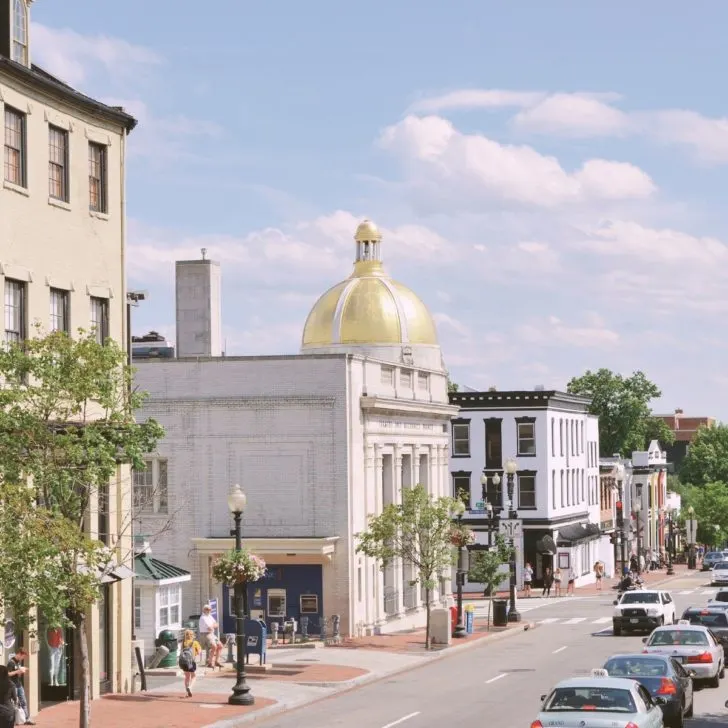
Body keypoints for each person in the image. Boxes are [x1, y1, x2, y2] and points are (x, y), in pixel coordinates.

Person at [7, 648, 32, 725]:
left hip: (19, 684)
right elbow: (8, 674)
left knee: (23, 701)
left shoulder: (18, 662)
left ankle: (26, 718)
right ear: (19, 654)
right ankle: (13, 720)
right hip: (13, 685)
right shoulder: (11, 662)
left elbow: (16, 673)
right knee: (14, 702)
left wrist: (21, 671)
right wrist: (18, 671)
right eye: (23, 656)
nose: (23, 658)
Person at [179, 630, 201, 697]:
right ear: (193, 635)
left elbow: (181, 651)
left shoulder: (183, 643)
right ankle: (190, 687)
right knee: (194, 676)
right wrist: (195, 654)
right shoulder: (195, 642)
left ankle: (187, 691)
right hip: (191, 662)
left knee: (187, 677)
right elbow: (199, 652)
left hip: (183, 662)